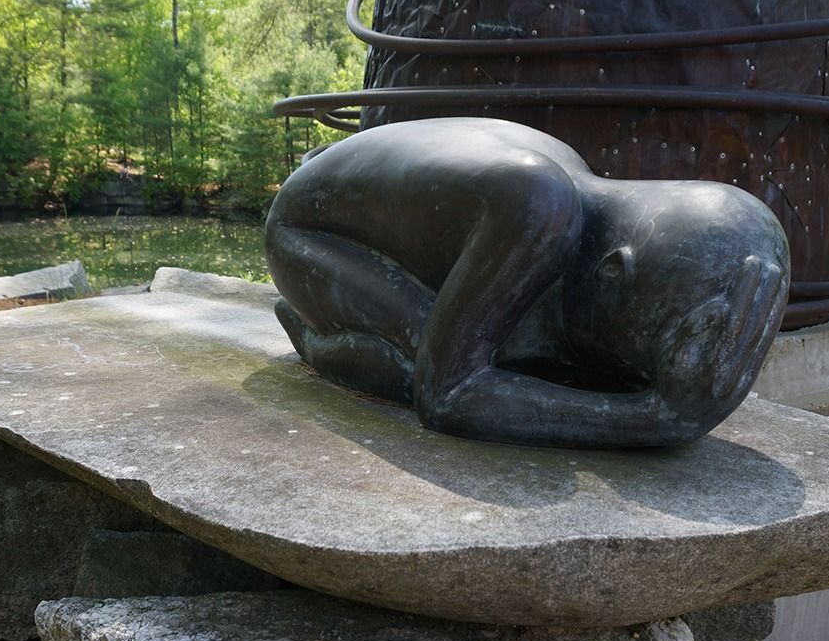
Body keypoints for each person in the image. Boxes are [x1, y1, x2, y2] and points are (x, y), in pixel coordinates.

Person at [266, 117, 789, 448]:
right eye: (636, 355)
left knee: (513, 349)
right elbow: (447, 394)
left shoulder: (587, 224)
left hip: (406, 222)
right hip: (309, 234)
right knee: (428, 348)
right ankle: (324, 346)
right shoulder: (537, 207)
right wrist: (654, 417)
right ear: (613, 273)